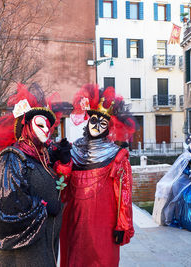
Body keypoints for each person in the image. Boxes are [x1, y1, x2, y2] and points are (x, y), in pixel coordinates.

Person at [0, 83, 72, 267]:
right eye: (40, 124)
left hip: (44, 247)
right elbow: (8, 206)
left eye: (49, 126)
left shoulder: (40, 157)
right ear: (25, 127)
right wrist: (44, 208)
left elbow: (56, 180)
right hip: (24, 255)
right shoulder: (13, 158)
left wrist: (62, 160)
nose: (46, 130)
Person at [60, 84, 136, 267]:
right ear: (87, 121)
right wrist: (61, 164)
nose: (96, 126)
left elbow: (124, 194)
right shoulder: (73, 149)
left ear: (108, 128)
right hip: (75, 219)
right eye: (93, 121)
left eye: (102, 123)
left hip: (104, 222)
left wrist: (122, 225)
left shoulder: (117, 156)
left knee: (102, 259)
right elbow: (63, 186)